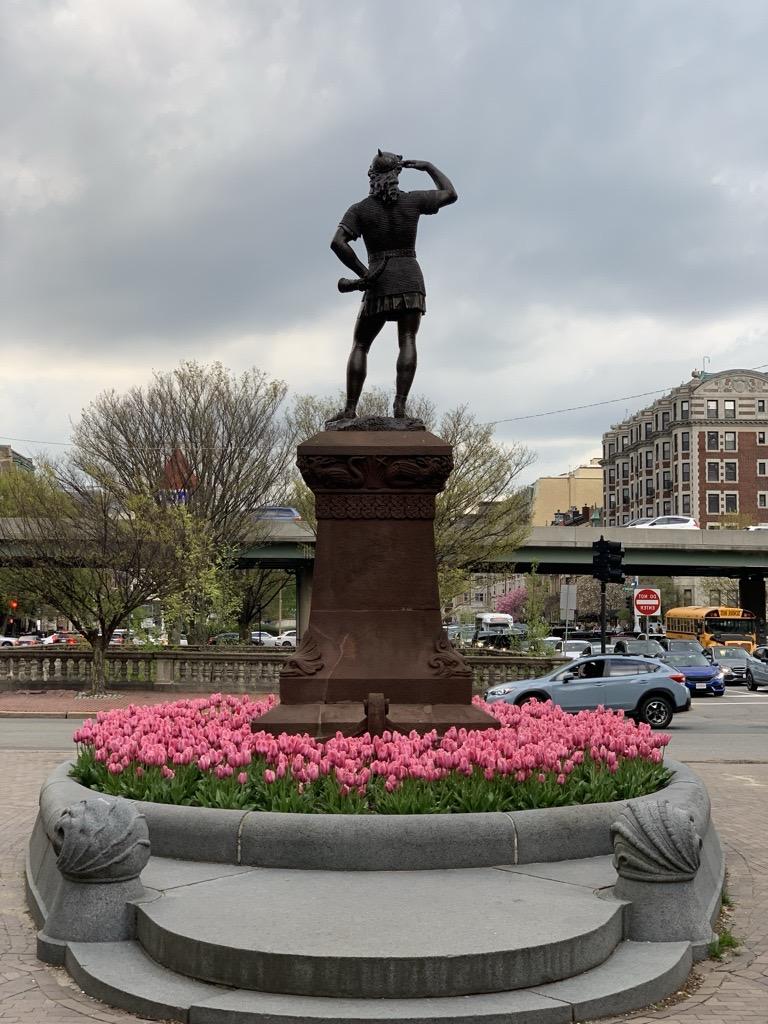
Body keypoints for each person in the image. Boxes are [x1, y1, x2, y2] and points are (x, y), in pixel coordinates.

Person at [329, 150, 457, 420]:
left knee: (361, 345)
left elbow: (337, 242)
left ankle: (350, 409)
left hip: (378, 278)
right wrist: (428, 167)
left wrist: (364, 273)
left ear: (372, 175)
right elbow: (449, 193)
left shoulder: (360, 209)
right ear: (397, 174)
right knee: (407, 340)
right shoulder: (412, 201)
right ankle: (400, 407)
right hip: (410, 276)